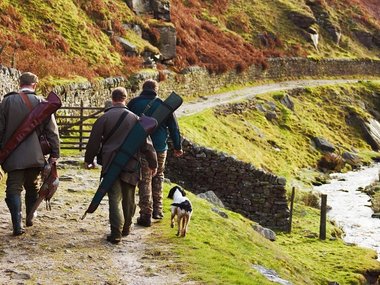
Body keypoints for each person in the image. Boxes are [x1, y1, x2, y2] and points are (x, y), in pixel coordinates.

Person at [85, 87, 157, 244]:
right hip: (131, 164)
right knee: (129, 198)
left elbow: (94, 142)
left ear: (112, 99)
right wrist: (153, 163)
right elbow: (147, 144)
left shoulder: (104, 118)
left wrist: (89, 160)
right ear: (125, 98)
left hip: (110, 164)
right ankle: (126, 228)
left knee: (114, 199)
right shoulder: (136, 119)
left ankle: (116, 233)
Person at [0, 72, 60, 236]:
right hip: (36, 155)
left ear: (20, 83)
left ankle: (17, 225)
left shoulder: (7, 101)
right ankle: (30, 216)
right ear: (35, 84)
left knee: (13, 188)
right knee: (32, 186)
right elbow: (52, 132)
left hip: (12, 155)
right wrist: (55, 153)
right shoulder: (42, 103)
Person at [127, 79, 183, 227]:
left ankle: (145, 214)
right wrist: (178, 146)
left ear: (143, 88)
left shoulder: (133, 104)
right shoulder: (164, 106)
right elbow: (174, 128)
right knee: (158, 176)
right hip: (160, 147)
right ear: (156, 90)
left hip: (141, 147)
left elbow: (126, 123)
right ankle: (157, 211)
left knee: (145, 178)